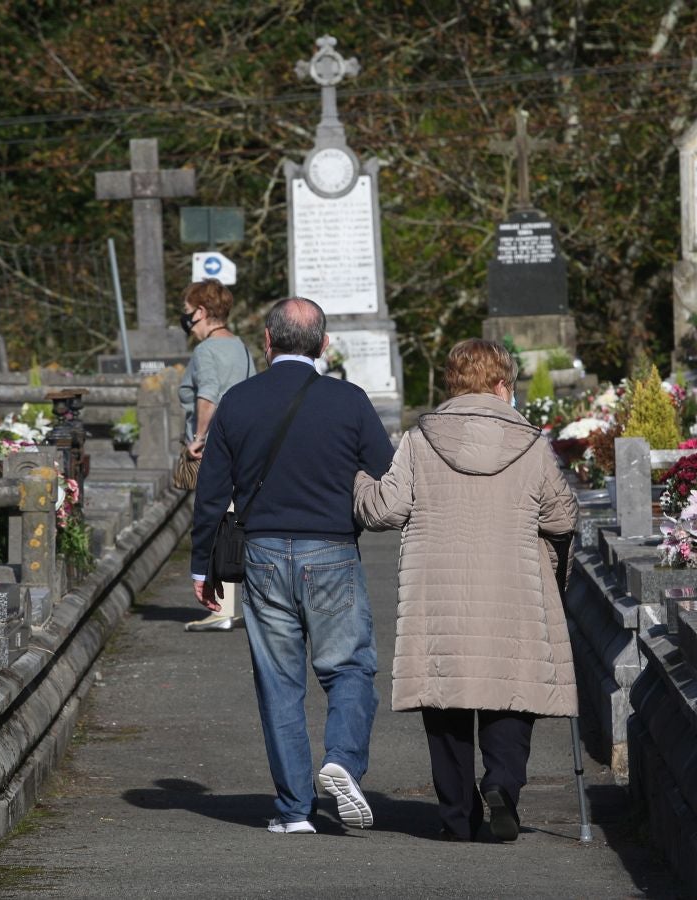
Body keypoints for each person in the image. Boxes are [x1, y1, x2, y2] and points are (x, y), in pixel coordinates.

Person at [353, 338, 578, 842]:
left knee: (446, 703)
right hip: (513, 589)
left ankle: (457, 816)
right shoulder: (532, 444)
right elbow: (561, 517)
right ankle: (502, 785)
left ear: (454, 383)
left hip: (438, 594)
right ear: (501, 385)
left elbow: (385, 510)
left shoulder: (420, 439)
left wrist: (358, 481)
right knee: (511, 694)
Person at [190, 297, 394, 835]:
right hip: (330, 549)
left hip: (260, 553)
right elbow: (386, 472)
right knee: (349, 667)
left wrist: (201, 567)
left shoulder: (238, 401)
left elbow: (211, 491)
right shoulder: (348, 401)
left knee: (279, 682)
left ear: (267, 341)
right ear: (324, 344)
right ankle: (343, 760)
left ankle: (294, 811)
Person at [178, 279, 255, 633]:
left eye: (187, 315)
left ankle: (217, 603)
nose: (187, 323)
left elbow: (207, 395)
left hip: (215, 446)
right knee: (233, 518)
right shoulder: (241, 347)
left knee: (211, 519)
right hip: (244, 443)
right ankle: (231, 603)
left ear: (202, 312)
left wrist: (198, 437)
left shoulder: (205, 351)